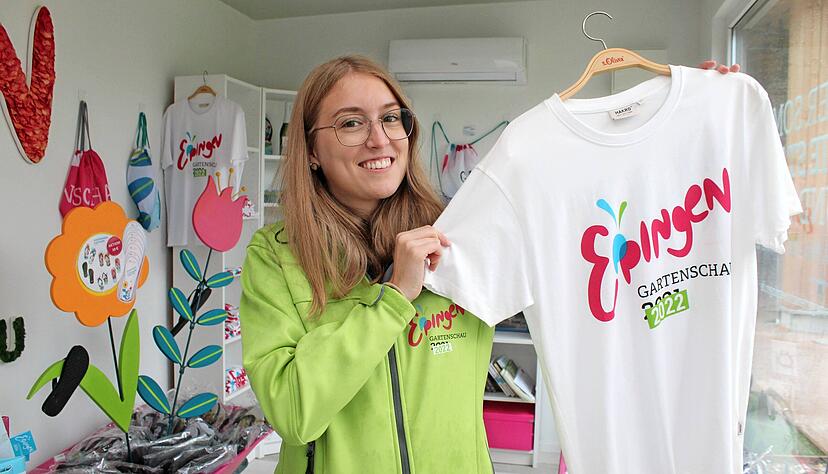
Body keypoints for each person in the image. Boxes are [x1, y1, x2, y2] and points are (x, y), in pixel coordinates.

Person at [240, 55, 739, 473]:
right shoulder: (276, 256)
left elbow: (588, 224)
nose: (379, 138)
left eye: (391, 117)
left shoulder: (461, 233)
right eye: (351, 123)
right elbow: (292, 411)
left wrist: (694, 117)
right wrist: (391, 300)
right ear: (310, 149)